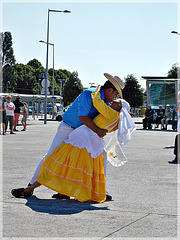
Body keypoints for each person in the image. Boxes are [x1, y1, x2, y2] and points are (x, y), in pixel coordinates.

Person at [11, 84, 135, 203]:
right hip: (70, 128)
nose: (115, 97)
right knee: (52, 155)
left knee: (98, 156)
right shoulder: (89, 94)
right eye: (115, 93)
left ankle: (98, 189)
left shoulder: (107, 104)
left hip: (85, 132)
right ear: (109, 90)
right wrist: (98, 130)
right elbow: (82, 116)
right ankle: (31, 185)